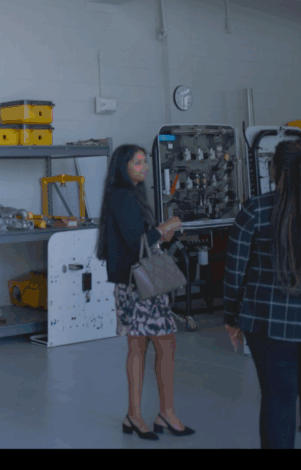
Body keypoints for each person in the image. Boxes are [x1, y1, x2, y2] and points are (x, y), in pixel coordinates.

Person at [224, 138, 301, 448]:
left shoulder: (255, 210)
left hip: (267, 322)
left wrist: (231, 317)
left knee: (278, 400)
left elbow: (235, 269)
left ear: (274, 169)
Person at [95, 144, 188, 440]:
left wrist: (159, 234)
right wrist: (164, 227)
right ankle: (156, 413)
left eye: (144, 162)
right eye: (137, 163)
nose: (144, 167)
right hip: (138, 283)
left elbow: (139, 240)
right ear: (123, 167)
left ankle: (142, 414)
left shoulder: (128, 194)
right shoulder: (123, 196)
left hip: (137, 281)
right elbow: (137, 243)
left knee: (144, 346)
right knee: (161, 344)